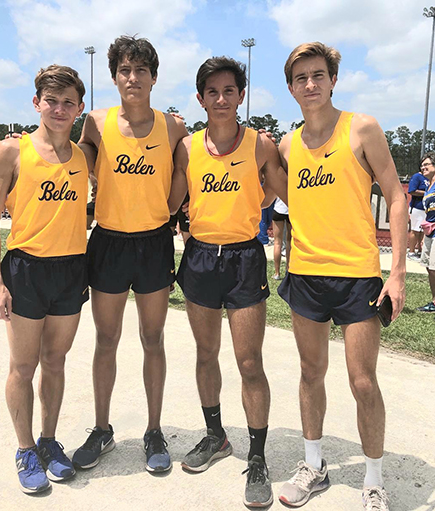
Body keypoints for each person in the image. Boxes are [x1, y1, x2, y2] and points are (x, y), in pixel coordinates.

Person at [276, 42, 407, 510]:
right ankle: (314, 465)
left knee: (362, 381)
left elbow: (395, 195)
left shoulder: (362, 129)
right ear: (290, 88)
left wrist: (396, 273)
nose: (309, 85)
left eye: (317, 75)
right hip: (306, 275)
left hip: (358, 277)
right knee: (311, 372)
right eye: (300, 78)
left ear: (333, 80)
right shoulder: (288, 145)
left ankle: (373, 479)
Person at [168, 56, 287, 508]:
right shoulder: (187, 148)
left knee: (249, 361)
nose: (221, 98)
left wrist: (261, 196)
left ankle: (257, 456)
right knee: (205, 353)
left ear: (241, 96)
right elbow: (174, 196)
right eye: (212, 91)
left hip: (243, 258)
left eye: (229, 91)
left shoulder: (259, 145)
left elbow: (282, 191)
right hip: (199, 256)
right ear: (201, 98)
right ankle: (216, 435)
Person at [72, 36, 188, 473]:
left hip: (154, 242)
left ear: (154, 77)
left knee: (153, 339)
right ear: (115, 76)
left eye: (141, 70)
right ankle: (102, 429)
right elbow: (75, 162)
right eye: (125, 70)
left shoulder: (172, 126)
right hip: (109, 242)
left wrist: (171, 208)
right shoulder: (95, 123)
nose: (133, 77)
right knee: (106, 339)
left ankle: (154, 430)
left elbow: (186, 168)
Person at [0, 65, 91, 494]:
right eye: (52, 101)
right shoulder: (12, 151)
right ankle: (25, 448)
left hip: (70, 270)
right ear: (36, 103)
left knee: (57, 362)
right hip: (26, 268)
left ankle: (48, 440)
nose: (60, 109)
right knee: (23, 366)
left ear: (80, 108)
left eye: (68, 103)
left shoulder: (81, 158)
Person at [417, 152, 435, 319]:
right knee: (429, 268)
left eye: (426, 164)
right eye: (422, 165)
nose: (423, 167)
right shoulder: (429, 186)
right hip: (430, 232)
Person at [407, 167, 429, 260]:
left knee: (423, 231)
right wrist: (427, 193)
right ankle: (411, 252)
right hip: (417, 207)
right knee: (415, 230)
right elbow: (412, 190)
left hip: (427, 208)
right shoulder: (417, 177)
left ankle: (420, 251)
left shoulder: (430, 178)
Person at [272, 196, 291, 280]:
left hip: (279, 208)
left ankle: (277, 273)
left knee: (277, 242)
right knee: (289, 241)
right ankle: (288, 269)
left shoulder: (279, 182)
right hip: (290, 209)